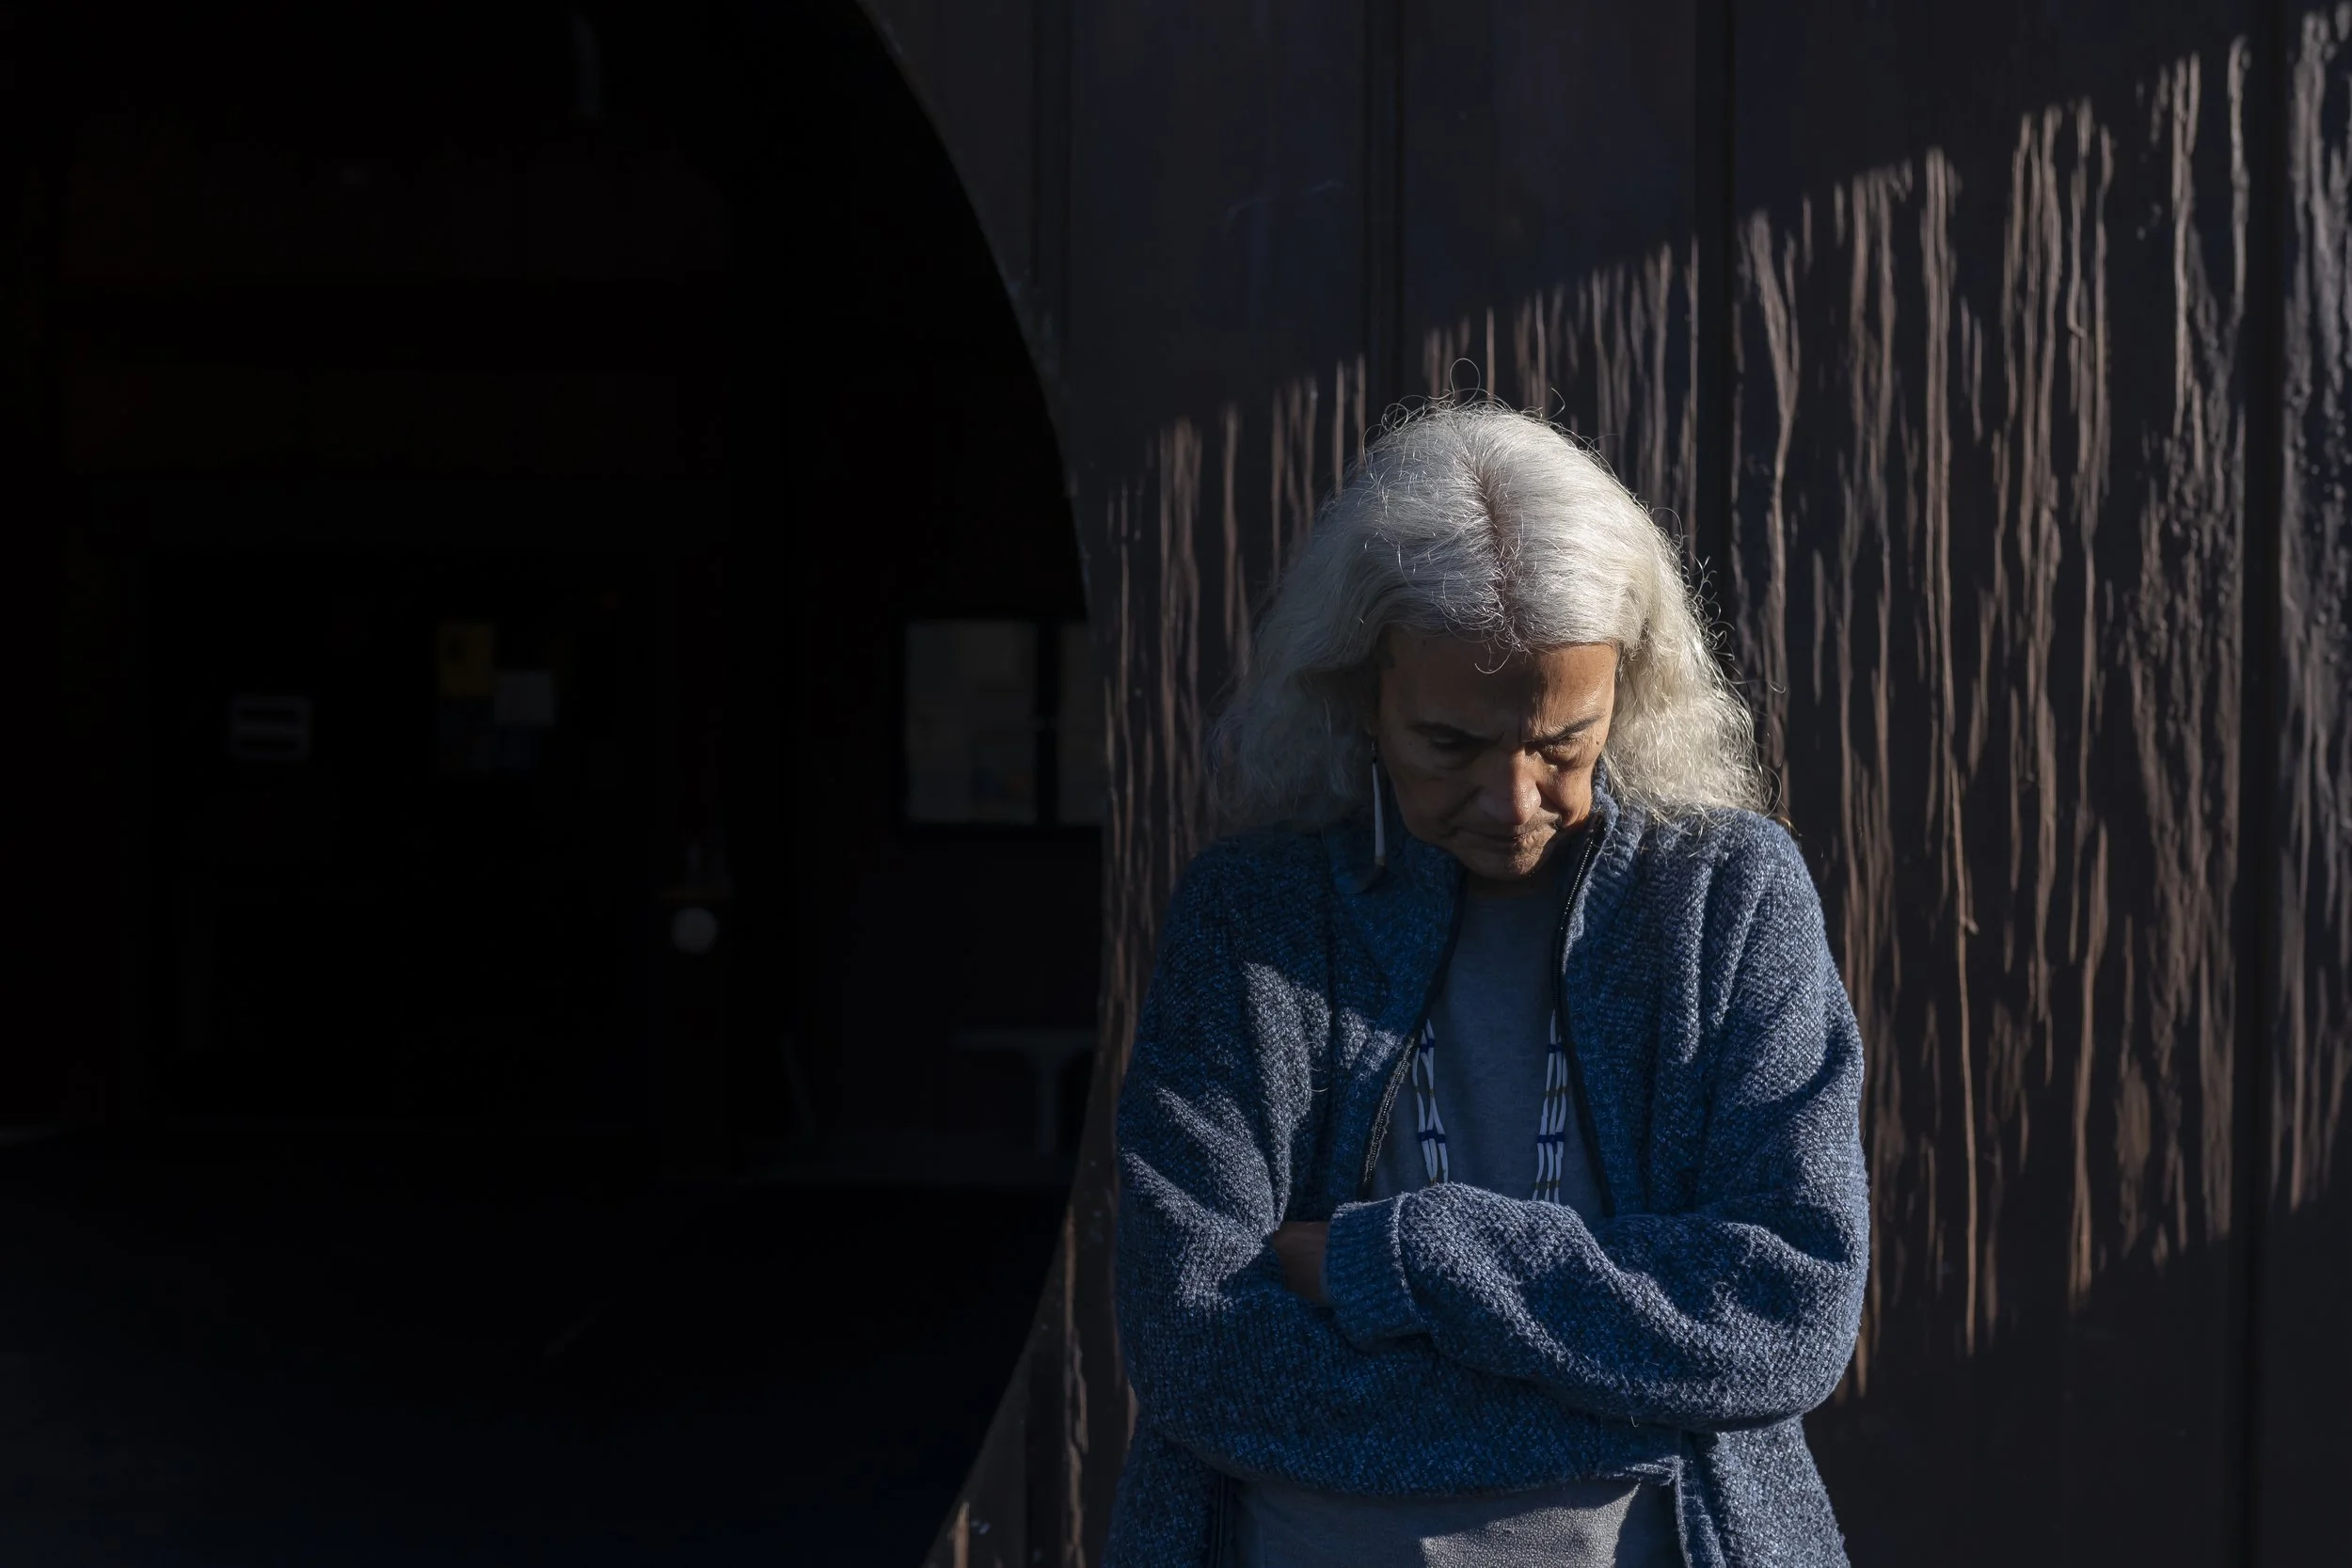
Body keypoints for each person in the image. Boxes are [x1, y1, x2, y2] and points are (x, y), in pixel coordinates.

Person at [1106, 404, 1868, 1568]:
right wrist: (1627, 1384)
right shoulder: (1253, 916)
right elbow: (1195, 1343)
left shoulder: (1730, 897)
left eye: (1561, 741)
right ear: (1362, 695)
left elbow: (1787, 1311)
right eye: (1450, 744)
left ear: (1633, 686)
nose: (1513, 802)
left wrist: (1399, 1256)